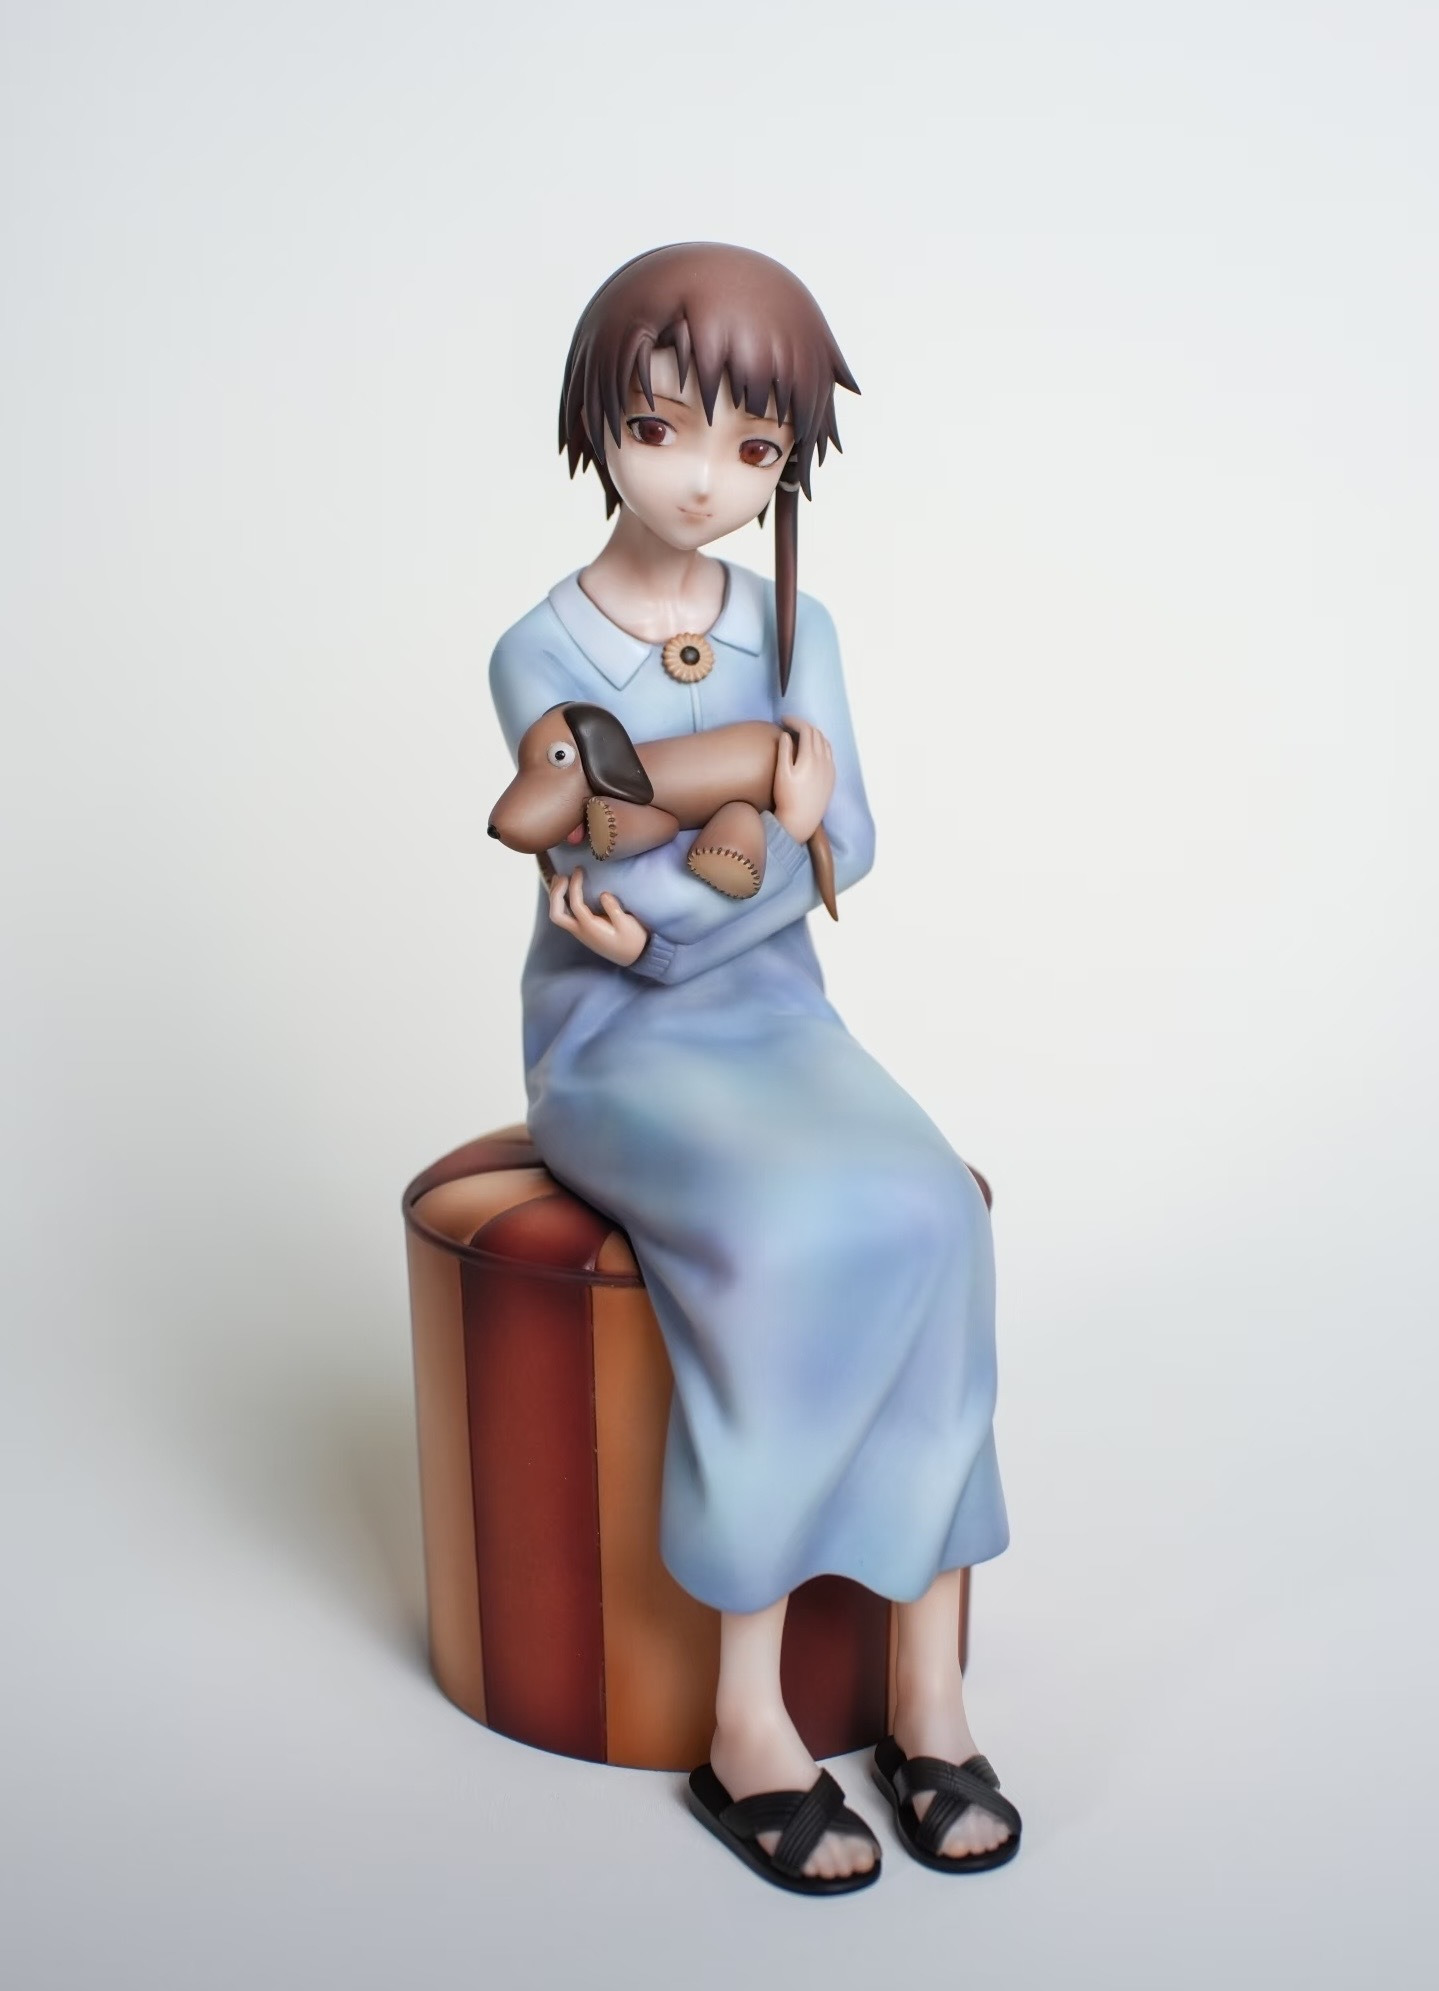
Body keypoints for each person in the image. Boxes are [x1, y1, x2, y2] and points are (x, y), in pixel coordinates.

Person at [487, 242, 1021, 1893]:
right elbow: (609, 901)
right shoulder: (536, 651)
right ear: (600, 423)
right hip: (617, 1051)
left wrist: (733, 855)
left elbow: (851, 835)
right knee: (778, 1240)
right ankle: (746, 1722)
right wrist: (761, 832)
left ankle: (929, 1694)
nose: (705, 481)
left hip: (784, 1023)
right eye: (662, 430)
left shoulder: (802, 626)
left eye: (754, 447)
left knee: (935, 1211)